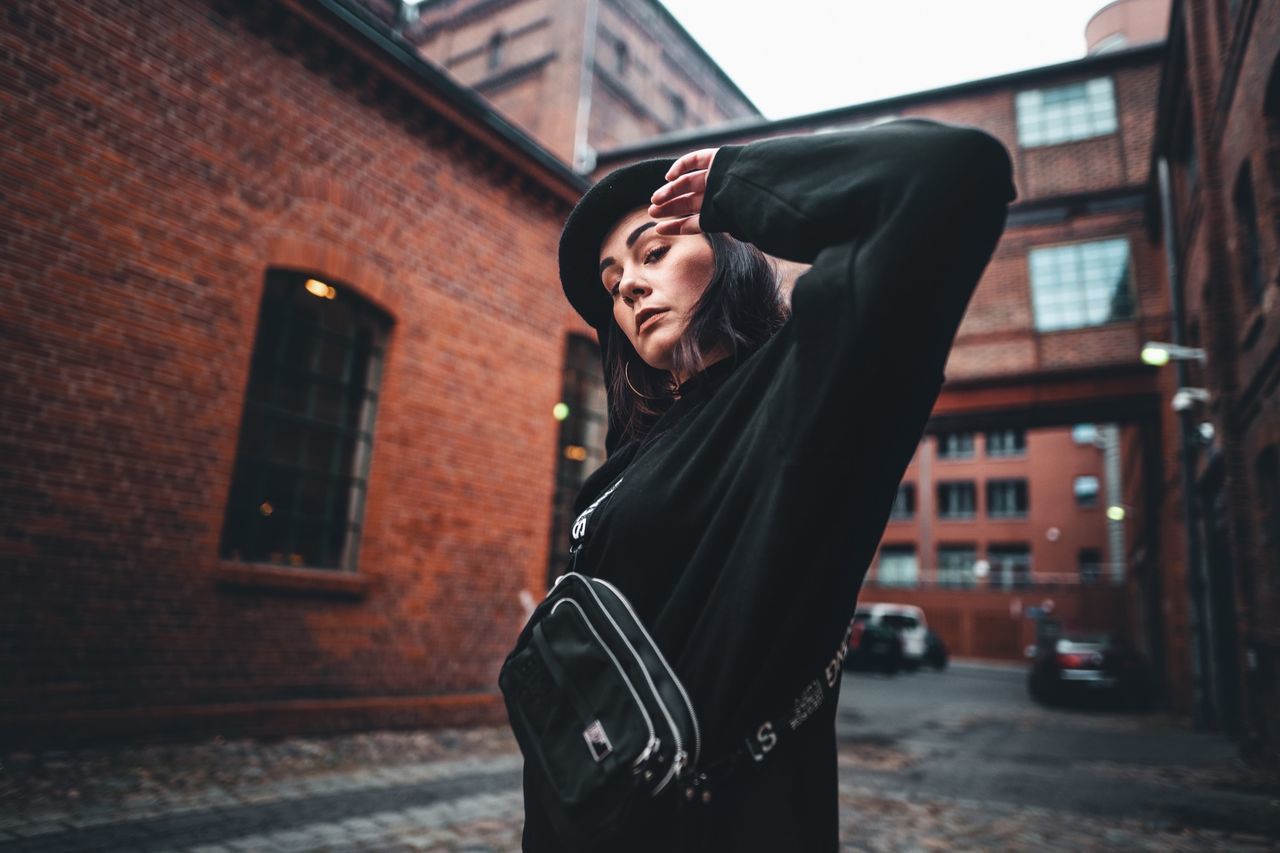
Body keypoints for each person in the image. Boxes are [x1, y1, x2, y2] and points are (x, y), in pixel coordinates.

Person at [521, 118, 1016, 851]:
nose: (629, 284)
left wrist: (730, 186)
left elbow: (955, 171)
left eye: (654, 251)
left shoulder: (806, 384)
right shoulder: (616, 472)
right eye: (613, 283)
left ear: (726, 254)